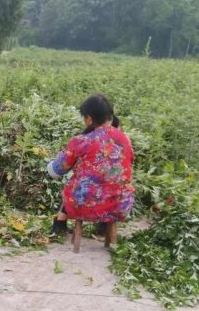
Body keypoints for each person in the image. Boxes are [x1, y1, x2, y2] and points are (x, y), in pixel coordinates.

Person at [47, 95, 135, 236]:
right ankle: (103, 227)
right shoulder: (125, 139)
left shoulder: (82, 140)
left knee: (74, 185)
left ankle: (59, 224)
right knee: (110, 180)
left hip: (85, 206)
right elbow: (129, 163)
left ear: (88, 118)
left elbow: (58, 169)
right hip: (121, 205)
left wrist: (51, 163)